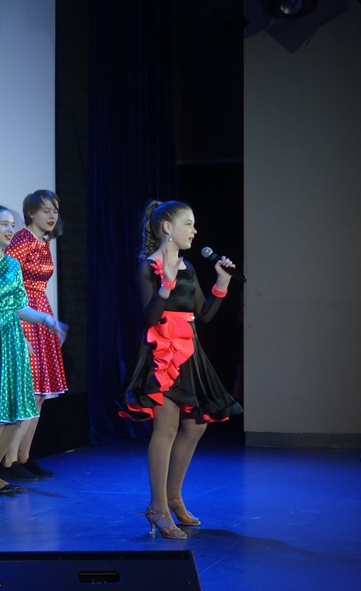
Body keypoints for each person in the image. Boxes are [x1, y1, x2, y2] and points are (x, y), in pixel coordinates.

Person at [120, 200, 242, 539]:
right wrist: (166, 284)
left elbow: (204, 315)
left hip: (188, 350)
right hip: (161, 353)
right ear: (167, 228)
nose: (194, 230)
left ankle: (173, 497)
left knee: (196, 424)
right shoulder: (149, 266)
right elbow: (148, 317)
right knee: (167, 427)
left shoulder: (187, 267)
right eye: (188, 224)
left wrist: (222, 283)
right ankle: (157, 507)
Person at [0, 205, 67, 496]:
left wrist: (47, 320)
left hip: (12, 339)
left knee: (16, 409)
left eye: (11, 225)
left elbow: (19, 307)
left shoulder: (12, 265)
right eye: (4, 224)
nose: (10, 230)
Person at [0, 190, 68, 482]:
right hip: (23, 315)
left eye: (55, 210)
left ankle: (24, 457)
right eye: (45, 210)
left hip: (41, 313)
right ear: (30, 213)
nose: (51, 216)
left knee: (39, 394)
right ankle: (8, 461)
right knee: (27, 393)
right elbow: (6, 280)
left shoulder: (44, 242)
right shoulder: (22, 240)